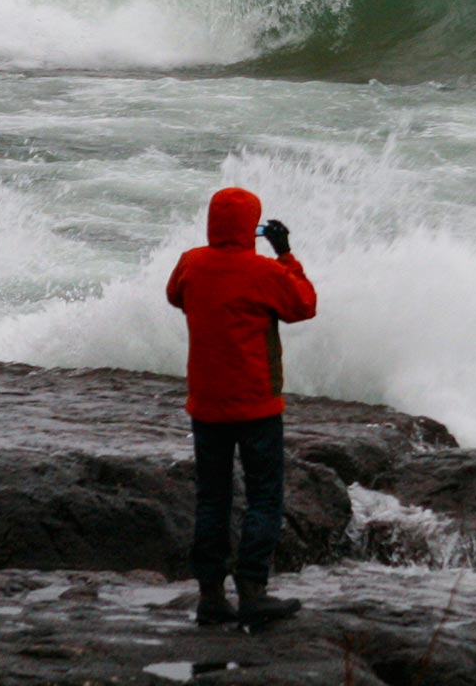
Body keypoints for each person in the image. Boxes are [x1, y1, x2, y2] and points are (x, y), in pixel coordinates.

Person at [164, 185, 318, 627]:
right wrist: (285, 253)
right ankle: (252, 590)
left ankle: (211, 596)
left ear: (213, 222)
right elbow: (304, 305)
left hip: (207, 406)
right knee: (264, 499)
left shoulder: (192, 262)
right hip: (256, 407)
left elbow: (175, 296)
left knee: (211, 500)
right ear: (252, 226)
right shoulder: (265, 271)